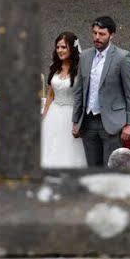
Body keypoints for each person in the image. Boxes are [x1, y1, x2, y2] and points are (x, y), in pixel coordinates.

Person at [72, 16, 130, 167]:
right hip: (88, 122)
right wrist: (76, 120)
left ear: (111, 35)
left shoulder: (122, 58)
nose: (97, 37)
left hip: (112, 123)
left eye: (102, 34)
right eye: (94, 33)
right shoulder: (85, 56)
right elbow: (79, 91)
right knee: (92, 167)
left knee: (111, 167)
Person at [40, 32, 87, 168]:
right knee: (49, 149)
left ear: (72, 48)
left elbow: (83, 95)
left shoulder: (80, 69)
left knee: (67, 151)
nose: (59, 50)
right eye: (58, 47)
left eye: (63, 47)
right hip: (53, 114)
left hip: (71, 114)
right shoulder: (55, 67)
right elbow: (50, 94)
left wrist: (79, 120)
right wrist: (45, 114)